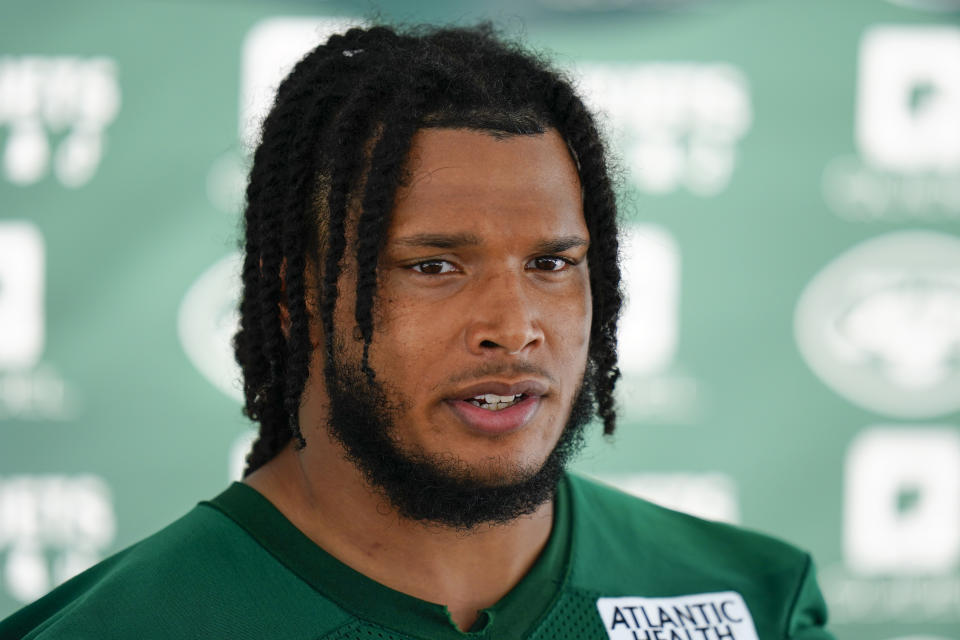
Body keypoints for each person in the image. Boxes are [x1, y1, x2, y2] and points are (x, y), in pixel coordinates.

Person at [0, 24, 834, 639]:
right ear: (296, 301)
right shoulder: (122, 628)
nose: (513, 328)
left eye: (552, 264)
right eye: (434, 266)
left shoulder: (751, 597)